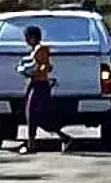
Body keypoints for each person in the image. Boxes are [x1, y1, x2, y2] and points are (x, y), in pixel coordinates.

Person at [20, 24, 73, 154]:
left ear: (33, 37)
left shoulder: (41, 49)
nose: (26, 40)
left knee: (32, 112)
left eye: (27, 37)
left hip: (40, 85)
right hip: (34, 83)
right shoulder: (34, 50)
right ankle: (64, 138)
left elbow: (45, 66)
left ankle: (31, 144)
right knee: (36, 115)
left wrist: (34, 70)